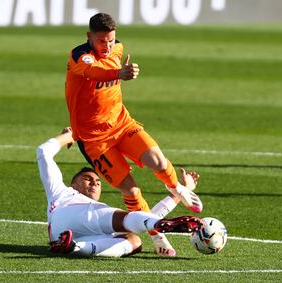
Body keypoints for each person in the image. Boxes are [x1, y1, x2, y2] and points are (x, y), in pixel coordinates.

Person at [64, 12, 203, 255]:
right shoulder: (80, 56)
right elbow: (95, 72)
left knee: (158, 161)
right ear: (89, 37)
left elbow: (113, 58)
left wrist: (125, 70)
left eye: (111, 40)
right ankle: (157, 236)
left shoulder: (117, 49)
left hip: (122, 123)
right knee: (131, 191)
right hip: (95, 141)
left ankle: (176, 188)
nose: (107, 46)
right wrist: (119, 74)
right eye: (101, 41)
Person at [37, 129, 203, 257]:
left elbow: (144, 216)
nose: (95, 182)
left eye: (98, 181)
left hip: (67, 237)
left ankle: (74, 247)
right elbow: (43, 151)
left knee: (134, 241)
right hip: (71, 214)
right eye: (87, 179)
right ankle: (159, 225)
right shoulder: (61, 191)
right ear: (73, 184)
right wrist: (69, 136)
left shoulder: (93, 207)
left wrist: (182, 192)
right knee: (127, 220)